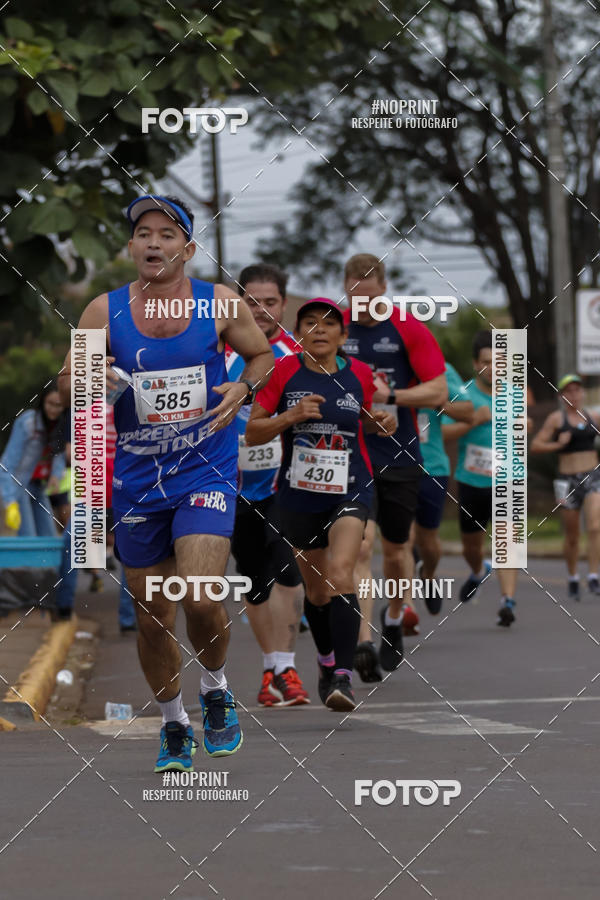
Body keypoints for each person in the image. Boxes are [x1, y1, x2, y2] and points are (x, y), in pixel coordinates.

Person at [58, 194, 273, 771]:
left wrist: (242, 388)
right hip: (137, 480)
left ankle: (216, 687)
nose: (154, 242)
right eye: (144, 233)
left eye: (168, 233)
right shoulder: (104, 313)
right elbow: (69, 379)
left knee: (201, 595)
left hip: (204, 467)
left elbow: (262, 356)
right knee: (154, 616)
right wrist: (90, 374)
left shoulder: (220, 304)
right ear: (132, 248)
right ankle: (174, 721)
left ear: (188, 248)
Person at [246, 298, 397, 710]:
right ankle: (327, 660)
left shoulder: (362, 375)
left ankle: (343, 679)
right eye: (310, 323)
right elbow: (254, 433)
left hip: (351, 486)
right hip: (299, 494)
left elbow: (374, 416)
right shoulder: (283, 372)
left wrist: (385, 421)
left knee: (342, 572)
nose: (320, 329)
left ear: (343, 336)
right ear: (299, 334)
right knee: (315, 592)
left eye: (329, 324)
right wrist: (290, 417)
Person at [342, 254, 447, 675]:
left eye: (370, 295)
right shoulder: (333, 327)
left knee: (398, 550)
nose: (363, 304)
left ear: (383, 288)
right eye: (355, 295)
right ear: (346, 288)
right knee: (362, 546)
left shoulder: (408, 328)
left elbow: (438, 391)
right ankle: (364, 638)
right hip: (350, 456)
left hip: (400, 453)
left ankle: (393, 617)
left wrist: (392, 398)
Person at [227, 263, 308, 707]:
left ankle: (287, 666)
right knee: (254, 581)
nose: (260, 310)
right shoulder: (220, 349)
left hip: (285, 482)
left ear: (284, 304)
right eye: (251, 301)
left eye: (270, 302)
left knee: (288, 573)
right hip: (231, 484)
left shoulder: (298, 352)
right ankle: (270, 670)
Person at [441, 329, 519, 627]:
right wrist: (475, 419)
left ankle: (507, 601)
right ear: (476, 364)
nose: (493, 367)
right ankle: (477, 570)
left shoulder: (514, 395)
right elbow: (444, 432)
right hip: (472, 480)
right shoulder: (464, 395)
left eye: (499, 361)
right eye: (486, 361)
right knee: (471, 546)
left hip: (506, 479)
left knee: (506, 540)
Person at [530, 374, 600, 601]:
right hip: (566, 481)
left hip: (592, 476)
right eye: (568, 391)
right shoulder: (556, 419)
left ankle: (593, 575)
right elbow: (536, 445)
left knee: (595, 526)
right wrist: (557, 444)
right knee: (572, 534)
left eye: (577, 390)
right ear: (561, 396)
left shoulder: (594, 416)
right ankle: (572, 576)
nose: (574, 395)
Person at [410, 362, 474, 608]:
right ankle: (404, 608)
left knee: (428, 540)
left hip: (432, 466)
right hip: (392, 466)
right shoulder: (379, 363)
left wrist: (436, 401)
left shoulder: (440, 368)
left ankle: (428, 574)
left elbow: (467, 412)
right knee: (402, 539)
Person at [0, 380, 66, 537]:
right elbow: (6, 464)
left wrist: (56, 475)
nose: (54, 410)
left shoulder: (63, 424)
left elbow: (59, 453)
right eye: (50, 403)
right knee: (29, 537)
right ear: (42, 401)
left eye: (59, 405)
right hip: (20, 486)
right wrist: (10, 502)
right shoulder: (28, 422)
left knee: (49, 537)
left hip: (39, 486)